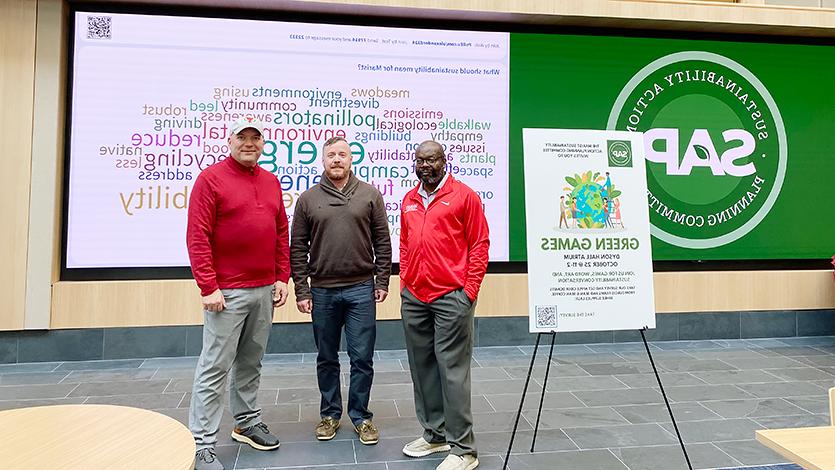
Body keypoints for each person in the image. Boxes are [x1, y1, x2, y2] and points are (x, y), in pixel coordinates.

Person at [186, 116, 289, 470]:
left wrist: (281, 276)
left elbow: (280, 233)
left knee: (250, 362)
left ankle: (246, 422)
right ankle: (202, 442)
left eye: (255, 138)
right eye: (242, 137)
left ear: (263, 144)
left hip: (263, 290)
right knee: (214, 366)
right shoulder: (210, 180)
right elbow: (197, 237)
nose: (249, 143)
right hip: (226, 293)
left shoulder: (271, 181)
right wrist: (208, 286)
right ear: (229, 141)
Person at [291, 136, 392, 446]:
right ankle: (330, 414)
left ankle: (361, 416)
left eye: (342, 154)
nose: (336, 159)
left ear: (351, 160)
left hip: (361, 290)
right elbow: (297, 248)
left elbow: (383, 242)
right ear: (323, 161)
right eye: (331, 155)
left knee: (362, 358)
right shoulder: (307, 199)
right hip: (322, 292)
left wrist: (382, 280)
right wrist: (301, 290)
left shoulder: (370, 195)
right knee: (326, 357)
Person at [398, 140, 489, 470]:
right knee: (422, 369)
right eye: (420, 160)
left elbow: (479, 245)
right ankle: (435, 435)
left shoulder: (464, 196)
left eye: (432, 160)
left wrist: (468, 293)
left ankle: (464, 449)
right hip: (416, 297)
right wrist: (406, 283)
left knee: (452, 372)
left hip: (451, 297)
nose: (426, 165)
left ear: (444, 161)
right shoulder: (409, 199)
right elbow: (406, 245)